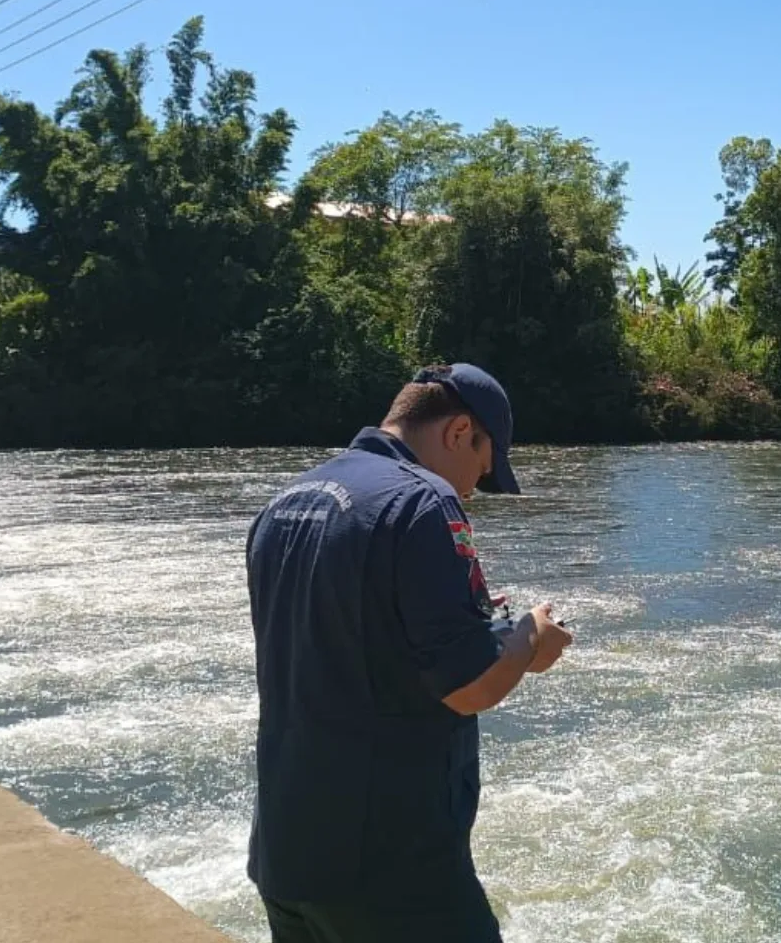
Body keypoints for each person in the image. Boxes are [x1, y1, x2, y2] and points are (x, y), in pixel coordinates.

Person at [243, 362, 572, 943]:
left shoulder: (289, 499)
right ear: (457, 431)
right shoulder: (423, 502)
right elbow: (471, 686)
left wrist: (466, 614)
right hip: (391, 871)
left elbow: (346, 630)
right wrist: (529, 639)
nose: (474, 486)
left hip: (287, 855)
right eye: (481, 465)